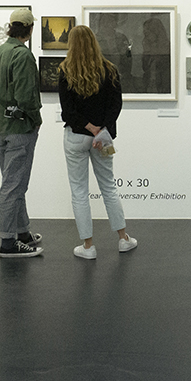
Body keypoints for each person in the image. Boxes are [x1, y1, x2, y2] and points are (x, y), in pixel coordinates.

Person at [58, 24, 137, 258]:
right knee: (109, 187)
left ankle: (88, 246)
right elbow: (116, 105)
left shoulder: (66, 70)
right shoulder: (109, 69)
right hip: (103, 138)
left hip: (76, 138)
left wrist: (88, 127)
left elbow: (67, 112)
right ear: (94, 42)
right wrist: (101, 129)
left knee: (79, 192)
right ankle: (123, 239)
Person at [0, 8, 44, 258]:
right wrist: (36, 118)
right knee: (13, 185)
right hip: (21, 129)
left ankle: (21, 232)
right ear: (30, 29)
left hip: (1, 126)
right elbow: (25, 96)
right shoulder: (23, 56)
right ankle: (7, 241)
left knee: (15, 182)